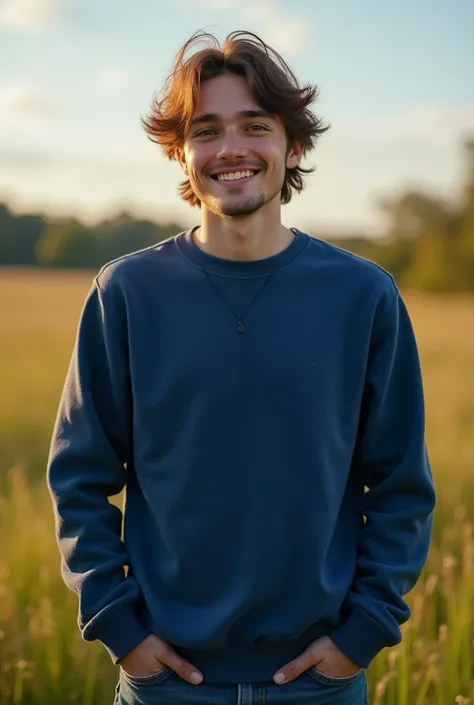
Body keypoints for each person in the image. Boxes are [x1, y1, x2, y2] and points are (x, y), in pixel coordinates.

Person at [47, 29, 436, 705]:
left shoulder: (363, 296)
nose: (231, 149)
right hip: (165, 687)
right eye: (207, 129)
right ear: (181, 150)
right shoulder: (126, 294)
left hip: (322, 687)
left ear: (295, 145)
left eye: (255, 126)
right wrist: (121, 629)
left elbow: (401, 485)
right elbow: (79, 477)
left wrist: (359, 638)